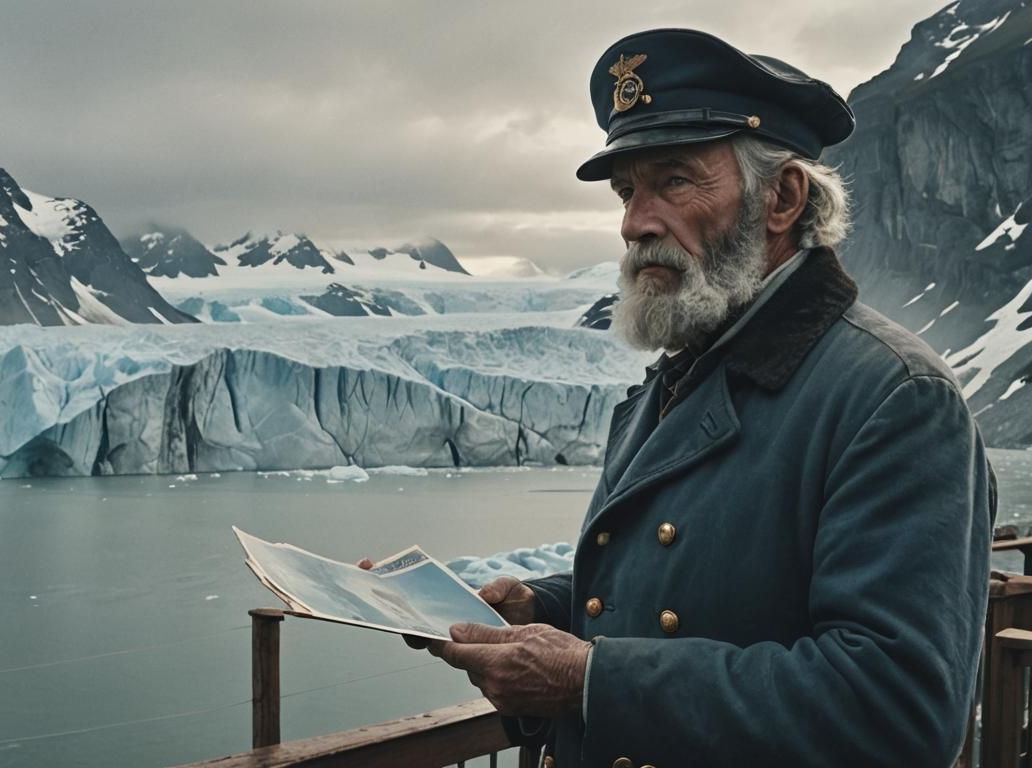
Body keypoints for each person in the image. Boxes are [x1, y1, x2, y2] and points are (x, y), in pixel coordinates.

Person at [417, 28, 995, 767]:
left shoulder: (895, 400)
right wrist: (544, 610)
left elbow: (898, 708)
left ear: (782, 198)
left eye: (674, 181)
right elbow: (699, 587)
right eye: (628, 191)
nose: (634, 223)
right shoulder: (679, 376)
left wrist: (591, 680)